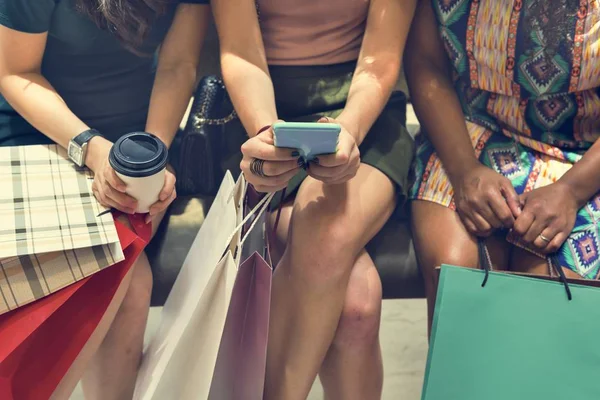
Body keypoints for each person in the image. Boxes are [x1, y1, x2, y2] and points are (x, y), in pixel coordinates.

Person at [0, 0, 209, 398]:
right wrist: (93, 151)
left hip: (138, 138)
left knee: (124, 279)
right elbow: (15, 72)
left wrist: (152, 157)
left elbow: (178, 65)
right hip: (39, 132)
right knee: (126, 284)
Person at [212, 0, 417, 398]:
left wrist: (349, 130)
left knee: (327, 230)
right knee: (357, 303)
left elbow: (380, 59)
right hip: (259, 110)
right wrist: (268, 135)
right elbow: (241, 51)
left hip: (365, 111)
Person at [406, 0, 600, 333]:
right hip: (468, 131)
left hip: (584, 152)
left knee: (556, 297)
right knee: (458, 280)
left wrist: (571, 191)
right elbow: (426, 63)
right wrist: (465, 171)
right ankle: (461, 384)